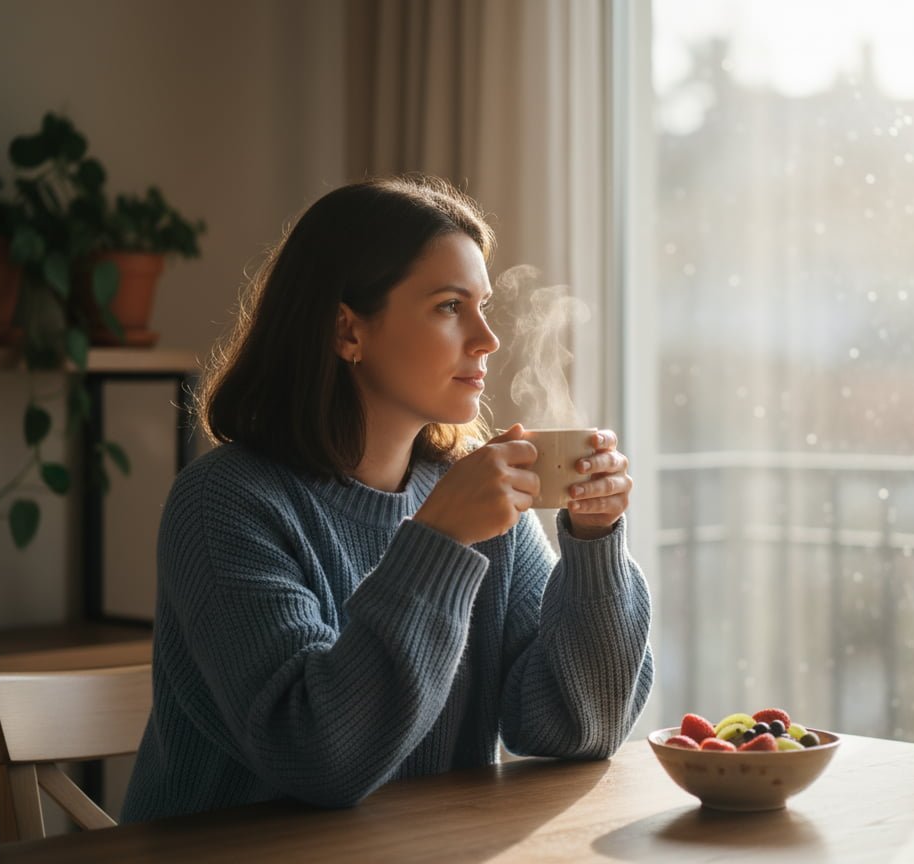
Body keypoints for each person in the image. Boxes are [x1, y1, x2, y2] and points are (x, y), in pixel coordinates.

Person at [121, 175, 654, 821]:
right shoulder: (225, 503)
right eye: (450, 306)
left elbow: (572, 729)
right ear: (348, 330)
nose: (487, 339)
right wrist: (437, 543)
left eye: (483, 305)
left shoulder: (472, 496)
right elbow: (321, 757)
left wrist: (594, 547)